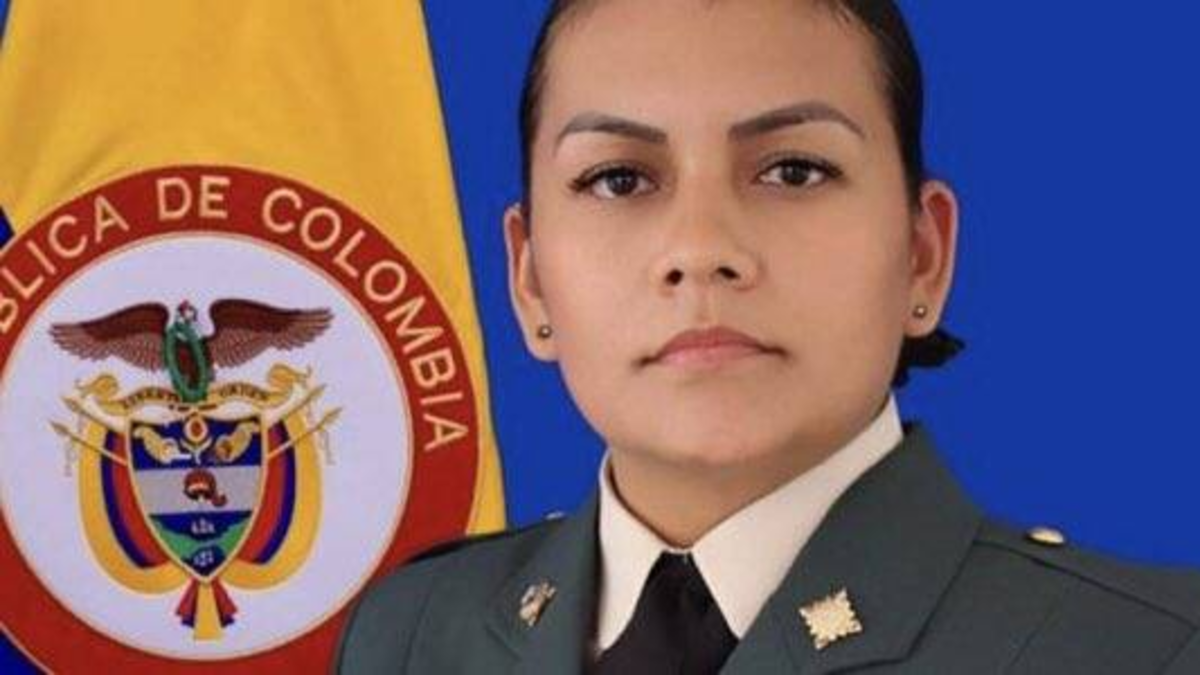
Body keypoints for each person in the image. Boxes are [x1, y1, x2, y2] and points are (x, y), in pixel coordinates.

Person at [335, 1, 1200, 672]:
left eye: (794, 170)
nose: (701, 248)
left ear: (923, 256)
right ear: (529, 280)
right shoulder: (413, 634)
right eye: (619, 179)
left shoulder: (1147, 650)